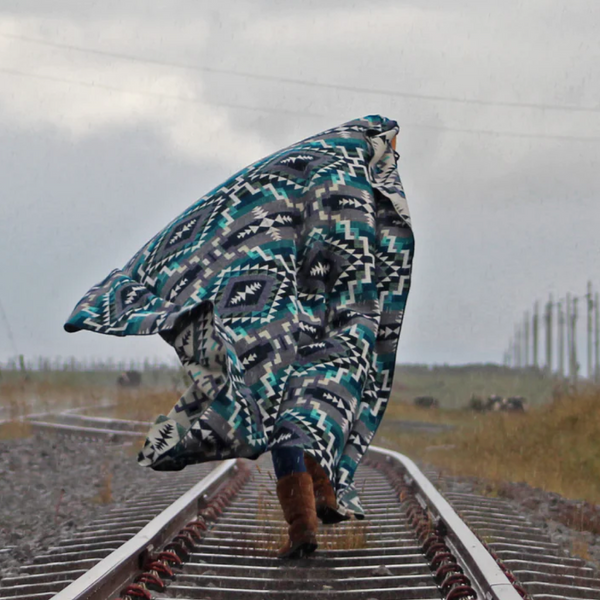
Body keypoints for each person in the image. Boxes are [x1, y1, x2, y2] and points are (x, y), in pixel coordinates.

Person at [64, 115, 414, 558]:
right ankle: (320, 498)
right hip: (335, 319)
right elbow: (369, 257)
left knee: (279, 408)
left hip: (290, 316)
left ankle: (304, 524)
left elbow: (265, 216)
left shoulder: (312, 166)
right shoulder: (351, 176)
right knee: (322, 407)